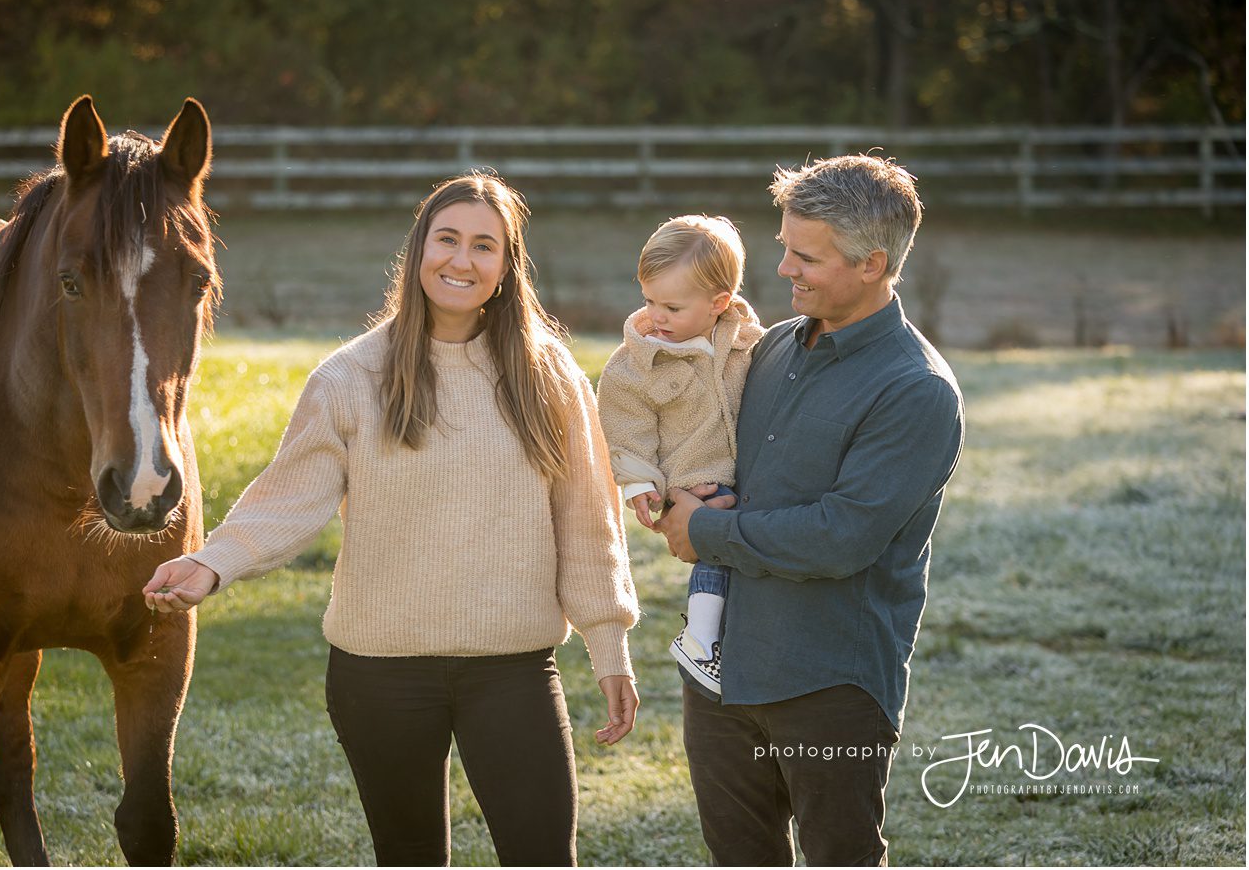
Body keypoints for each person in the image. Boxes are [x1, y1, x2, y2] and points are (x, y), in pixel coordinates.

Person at [142, 171, 640, 867]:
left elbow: (588, 521)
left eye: (484, 246)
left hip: (513, 670)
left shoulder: (546, 373)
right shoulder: (351, 377)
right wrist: (212, 561)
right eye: (447, 240)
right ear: (418, 251)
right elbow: (291, 497)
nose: (461, 261)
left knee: (542, 856)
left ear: (506, 265)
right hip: (379, 672)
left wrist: (609, 644)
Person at [656, 155, 965, 867]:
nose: (785, 268)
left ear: (872, 263)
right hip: (722, 672)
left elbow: (840, 538)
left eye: (807, 257)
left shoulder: (915, 391)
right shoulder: (768, 349)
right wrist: (684, 492)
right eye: (784, 248)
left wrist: (704, 531)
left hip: (832, 682)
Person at [595, 215, 764, 695]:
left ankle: (719, 636)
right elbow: (626, 427)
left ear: (719, 304)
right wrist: (640, 483)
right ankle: (700, 638)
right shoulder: (638, 362)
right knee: (715, 544)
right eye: (649, 301)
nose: (657, 316)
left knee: (739, 551)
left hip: (748, 473)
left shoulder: (746, 342)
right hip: (693, 476)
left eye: (671, 306)